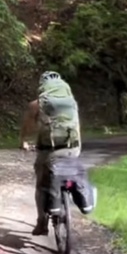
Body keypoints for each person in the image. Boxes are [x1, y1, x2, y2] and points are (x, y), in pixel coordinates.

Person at [19, 70, 82, 235]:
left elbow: (28, 129)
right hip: (72, 149)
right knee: (71, 175)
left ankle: (42, 223)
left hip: (49, 152)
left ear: (43, 86)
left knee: (41, 185)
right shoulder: (71, 103)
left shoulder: (37, 104)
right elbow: (77, 128)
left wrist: (24, 142)